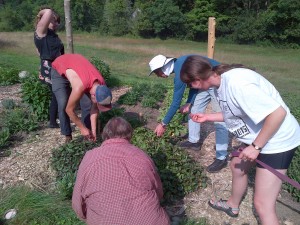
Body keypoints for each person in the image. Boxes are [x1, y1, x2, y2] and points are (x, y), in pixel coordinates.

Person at [180, 55, 300, 225]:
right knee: (237, 165)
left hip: (277, 141)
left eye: (189, 83)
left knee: (263, 205)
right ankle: (232, 205)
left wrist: (256, 147)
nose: (190, 87)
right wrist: (207, 117)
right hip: (261, 136)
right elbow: (234, 114)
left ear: (197, 80)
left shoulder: (238, 85)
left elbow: (277, 114)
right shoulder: (219, 85)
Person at [72, 117, 170, 225]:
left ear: (105, 135)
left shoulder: (90, 158)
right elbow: (157, 190)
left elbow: (78, 200)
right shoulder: (142, 156)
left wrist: (87, 215)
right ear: (129, 135)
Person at [148, 54, 229, 173]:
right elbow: (193, 82)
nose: (158, 76)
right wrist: (189, 102)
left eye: (156, 73)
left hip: (216, 80)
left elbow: (175, 103)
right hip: (203, 81)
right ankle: (193, 141)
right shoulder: (179, 64)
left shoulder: (179, 74)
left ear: (162, 68)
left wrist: (163, 124)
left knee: (219, 119)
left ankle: (221, 157)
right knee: (194, 110)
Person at [51, 53, 112, 143]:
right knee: (63, 104)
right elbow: (69, 110)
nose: (97, 104)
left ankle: (88, 135)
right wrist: (81, 128)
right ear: (93, 96)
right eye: (97, 102)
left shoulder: (101, 86)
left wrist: (94, 133)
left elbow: (94, 110)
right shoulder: (79, 86)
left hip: (76, 69)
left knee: (87, 105)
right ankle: (68, 135)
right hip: (59, 67)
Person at [34, 7, 64, 128]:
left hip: (57, 66)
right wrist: (42, 15)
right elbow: (47, 11)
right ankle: (57, 121)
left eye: (57, 21)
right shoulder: (41, 32)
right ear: (45, 20)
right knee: (59, 94)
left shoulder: (52, 35)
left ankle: (53, 121)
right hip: (50, 69)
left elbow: (39, 52)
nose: (57, 23)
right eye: (54, 20)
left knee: (57, 94)